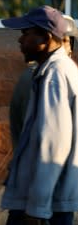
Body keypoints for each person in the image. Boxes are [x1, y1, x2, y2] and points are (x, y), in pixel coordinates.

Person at [0, 5, 78, 225]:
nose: (20, 40)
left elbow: (53, 145)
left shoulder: (55, 76)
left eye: (26, 34)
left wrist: (37, 209)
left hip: (43, 208)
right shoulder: (51, 72)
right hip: (44, 204)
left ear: (45, 37)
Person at [9, 14, 78, 150]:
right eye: (61, 41)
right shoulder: (45, 76)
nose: (63, 48)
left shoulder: (61, 73)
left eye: (66, 42)